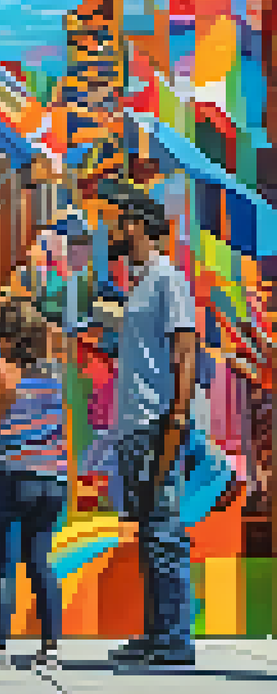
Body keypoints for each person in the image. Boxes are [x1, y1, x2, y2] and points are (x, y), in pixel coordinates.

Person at [99, 179, 199, 666]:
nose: (113, 230)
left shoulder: (168, 279)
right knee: (149, 532)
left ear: (136, 224)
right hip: (135, 426)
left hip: (157, 424)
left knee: (163, 531)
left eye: (119, 220)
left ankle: (175, 639)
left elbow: (185, 348)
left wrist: (176, 417)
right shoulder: (140, 284)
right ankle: (159, 633)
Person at [0, 297, 67, 671]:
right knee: (40, 560)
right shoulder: (55, 369)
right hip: (51, 477)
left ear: (6, 338)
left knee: (2, 564)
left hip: (7, 473)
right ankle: (50, 647)